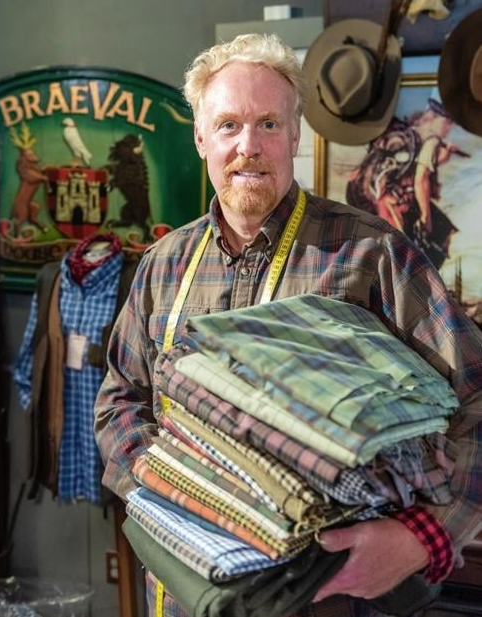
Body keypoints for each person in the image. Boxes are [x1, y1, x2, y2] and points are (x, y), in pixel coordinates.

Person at [94, 33, 482, 616]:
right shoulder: (163, 265)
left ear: (296, 135)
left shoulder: (372, 255)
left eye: (269, 124)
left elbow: (477, 398)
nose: (248, 146)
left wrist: (421, 537)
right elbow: (120, 400)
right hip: (186, 595)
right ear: (201, 138)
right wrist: (172, 483)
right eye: (228, 125)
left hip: (323, 597)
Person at [346, 98, 468, 269]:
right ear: (436, 118)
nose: (448, 129)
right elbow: (420, 180)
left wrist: (438, 160)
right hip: (389, 199)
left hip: (378, 195)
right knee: (417, 244)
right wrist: (425, 216)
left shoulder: (407, 131)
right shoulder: (431, 141)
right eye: (448, 123)